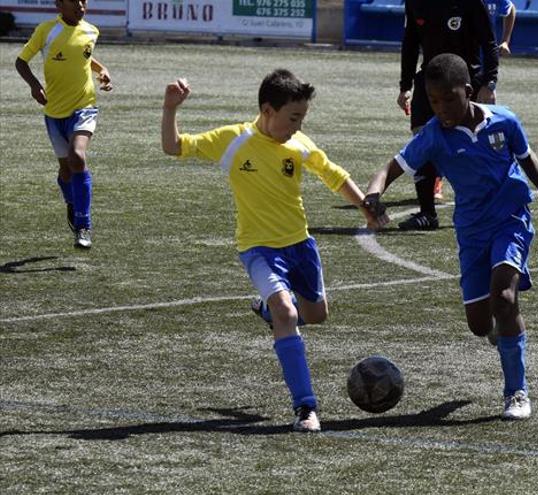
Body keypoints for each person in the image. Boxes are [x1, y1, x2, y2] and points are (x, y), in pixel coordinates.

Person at [161, 69, 384, 432]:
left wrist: (364, 206)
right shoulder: (232, 140)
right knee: (287, 312)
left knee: (315, 315)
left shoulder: (298, 145)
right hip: (259, 249)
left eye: (302, 119)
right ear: (268, 110)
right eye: (293, 118)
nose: (297, 126)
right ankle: (306, 408)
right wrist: (170, 109)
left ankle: (267, 309)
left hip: (300, 245)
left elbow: (333, 174)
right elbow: (174, 147)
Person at [363, 54, 538, 420]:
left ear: (468, 91)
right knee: (479, 324)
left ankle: (516, 392)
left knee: (504, 298)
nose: (441, 108)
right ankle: (503, 335)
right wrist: (374, 194)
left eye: (448, 98)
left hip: (511, 218)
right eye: (434, 100)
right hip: (472, 231)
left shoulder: (504, 120)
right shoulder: (433, 137)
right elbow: (389, 168)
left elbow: (527, 158)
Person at [15, 0, 113, 249]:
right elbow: (21, 61)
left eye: (84, 0)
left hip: (84, 107)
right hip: (54, 111)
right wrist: (35, 85)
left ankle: (83, 225)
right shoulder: (46, 30)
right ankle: (72, 202)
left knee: (77, 157)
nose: (81, 5)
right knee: (66, 172)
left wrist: (102, 71)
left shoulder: (92, 30)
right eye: (74, 1)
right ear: (59, 4)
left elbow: (84, 55)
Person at [397, 0, 500, 230]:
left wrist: (489, 82)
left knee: (475, 145)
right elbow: (410, 43)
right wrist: (405, 86)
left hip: (465, 83)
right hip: (429, 81)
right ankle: (427, 213)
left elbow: (489, 41)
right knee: (421, 139)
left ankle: (487, 206)